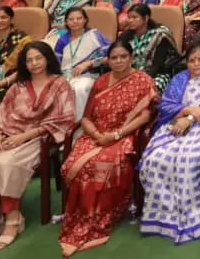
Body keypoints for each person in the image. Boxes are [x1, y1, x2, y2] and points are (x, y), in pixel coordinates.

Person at [0, 42, 77, 250]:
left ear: (48, 59)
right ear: (24, 64)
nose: (34, 63)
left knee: (8, 164)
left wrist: (25, 136)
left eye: (38, 58)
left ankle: (13, 219)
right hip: (8, 134)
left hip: (38, 137)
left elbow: (65, 119)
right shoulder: (17, 86)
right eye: (29, 60)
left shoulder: (60, 84)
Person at [57, 38, 158, 256]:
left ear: (131, 57)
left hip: (125, 135)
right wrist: (96, 135)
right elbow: (86, 118)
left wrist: (116, 135)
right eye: (114, 57)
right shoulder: (101, 82)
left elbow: (145, 116)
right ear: (108, 60)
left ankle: (101, 216)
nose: (119, 61)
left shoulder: (143, 81)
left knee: (103, 165)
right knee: (73, 164)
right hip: (96, 135)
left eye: (123, 56)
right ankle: (81, 215)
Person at [139, 44, 200, 245]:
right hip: (175, 125)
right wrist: (188, 110)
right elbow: (166, 106)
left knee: (189, 159)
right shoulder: (180, 79)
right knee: (156, 159)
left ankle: (195, 209)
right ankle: (163, 215)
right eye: (192, 60)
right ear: (186, 62)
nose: (196, 64)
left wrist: (190, 118)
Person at [51, 7, 111, 120]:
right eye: (71, 19)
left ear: (85, 20)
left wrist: (89, 63)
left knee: (79, 88)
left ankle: (80, 121)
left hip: (90, 73)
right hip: (67, 75)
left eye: (79, 18)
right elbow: (56, 62)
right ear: (66, 22)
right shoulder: (62, 40)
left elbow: (110, 57)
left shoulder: (94, 35)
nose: (75, 22)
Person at [122, 4, 183, 92]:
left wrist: (139, 80)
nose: (130, 20)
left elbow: (157, 65)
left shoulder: (160, 34)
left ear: (146, 18)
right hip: (130, 73)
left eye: (134, 17)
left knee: (150, 88)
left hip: (157, 74)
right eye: (129, 17)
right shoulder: (126, 35)